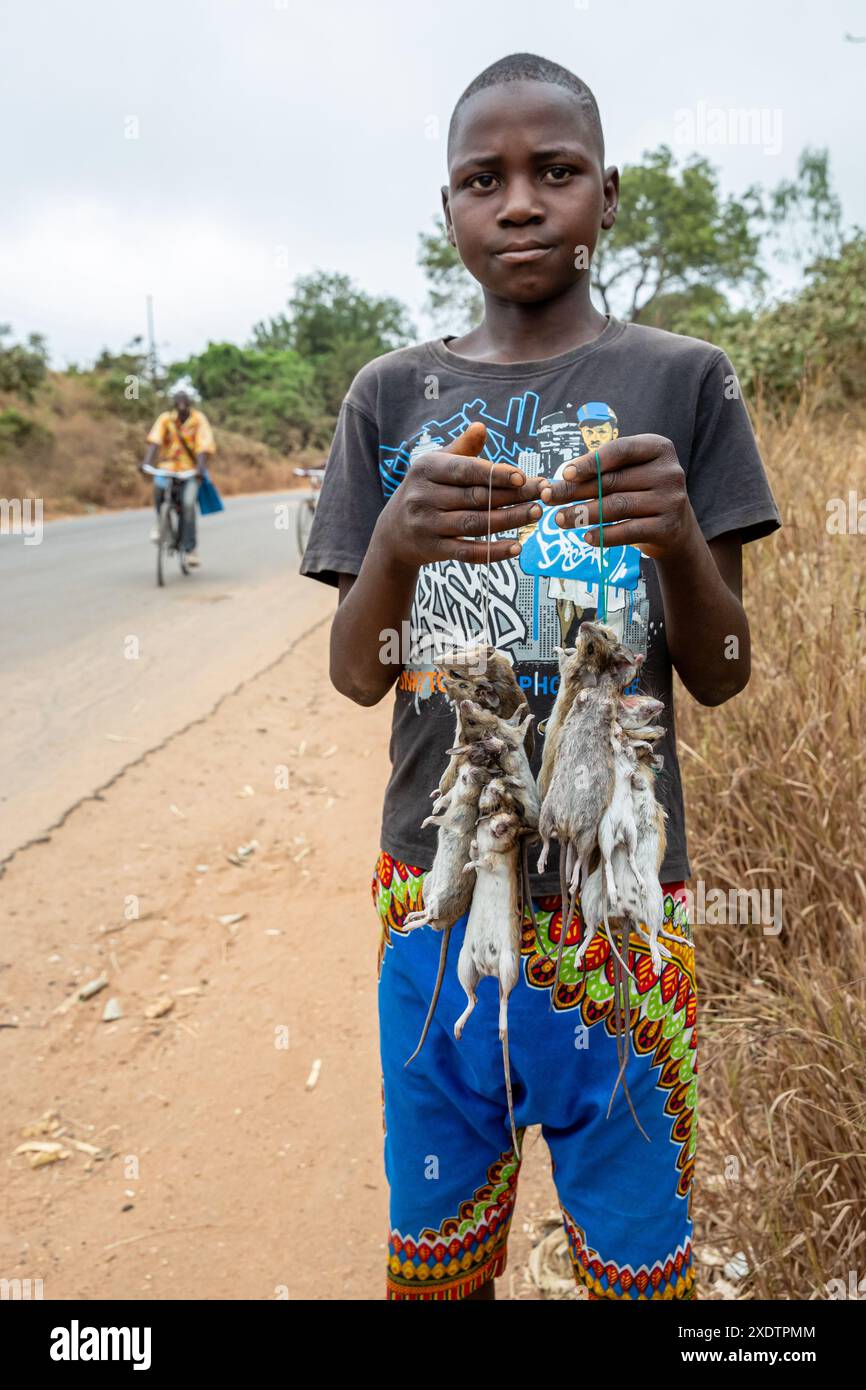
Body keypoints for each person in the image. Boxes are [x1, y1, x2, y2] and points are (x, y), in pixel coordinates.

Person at [300, 53, 781, 1301]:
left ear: (606, 195)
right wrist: (398, 543)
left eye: (553, 173)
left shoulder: (683, 381)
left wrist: (675, 535)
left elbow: (723, 671)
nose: (518, 203)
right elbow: (358, 677)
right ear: (446, 207)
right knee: (436, 1254)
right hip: (435, 892)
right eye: (482, 179)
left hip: (619, 904)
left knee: (636, 1257)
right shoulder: (390, 397)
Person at [140, 390, 216, 567]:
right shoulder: (166, 419)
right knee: (159, 491)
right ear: (173, 402)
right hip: (168, 468)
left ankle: (190, 549)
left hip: (190, 470)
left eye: (184, 399)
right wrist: (146, 463)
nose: (181, 402)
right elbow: (155, 442)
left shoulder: (198, 420)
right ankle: (162, 525)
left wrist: (200, 469)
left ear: (190, 402)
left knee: (188, 504)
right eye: (178, 399)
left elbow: (204, 446)